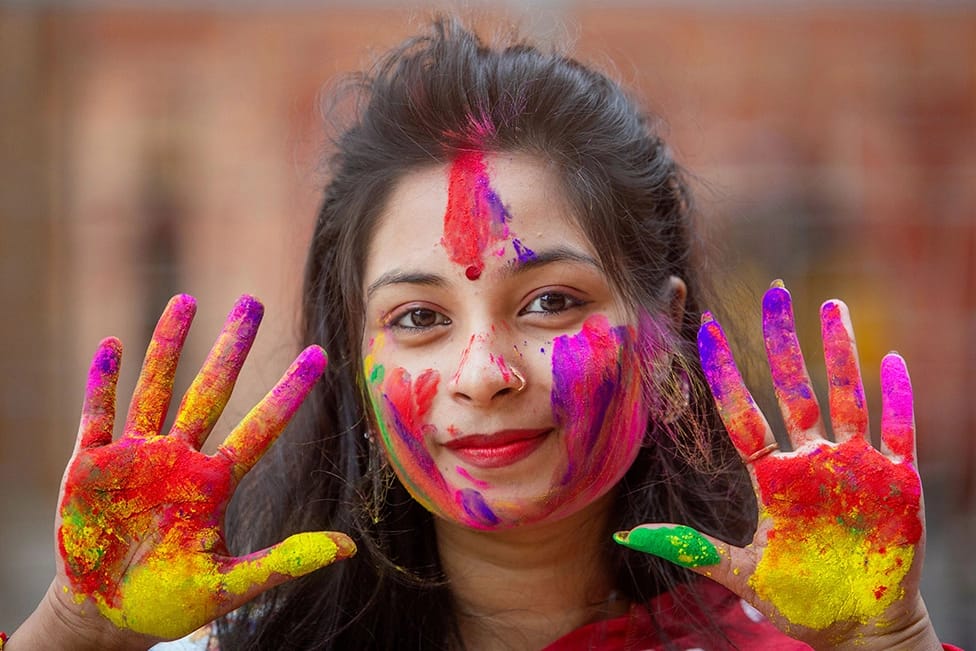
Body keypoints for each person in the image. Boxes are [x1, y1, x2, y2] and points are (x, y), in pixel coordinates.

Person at [4, 17, 961, 651]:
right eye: (418, 317)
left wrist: (892, 643)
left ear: (665, 330)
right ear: (357, 365)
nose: (485, 371)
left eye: (550, 301)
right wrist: (75, 629)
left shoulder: (802, 639)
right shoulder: (220, 644)